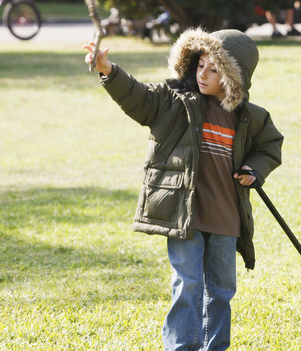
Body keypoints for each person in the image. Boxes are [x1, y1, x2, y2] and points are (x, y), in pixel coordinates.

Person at [83, 28, 283, 351]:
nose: (202, 74)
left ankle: (215, 346)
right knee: (187, 285)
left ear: (233, 77)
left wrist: (254, 169)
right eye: (200, 64)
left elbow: (271, 145)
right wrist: (109, 71)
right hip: (184, 218)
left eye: (214, 69)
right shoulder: (175, 103)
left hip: (226, 220)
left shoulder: (249, 117)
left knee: (221, 290)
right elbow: (140, 98)